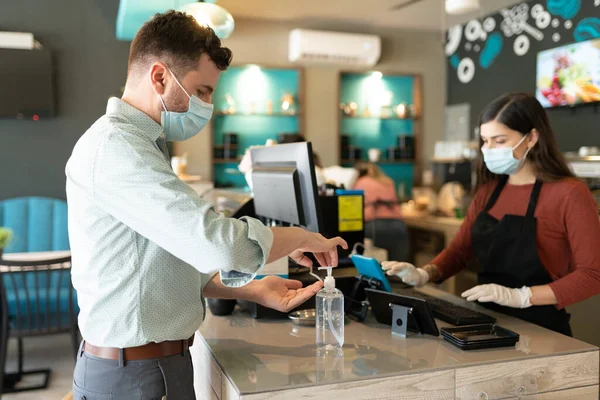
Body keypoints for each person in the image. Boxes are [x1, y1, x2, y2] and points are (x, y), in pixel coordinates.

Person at [65, 11, 347, 399]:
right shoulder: (117, 149)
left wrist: (252, 290)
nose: (207, 106)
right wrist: (298, 236)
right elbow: (220, 244)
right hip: (134, 375)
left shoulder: (140, 146)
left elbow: (162, 267)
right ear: (160, 77)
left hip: (150, 367)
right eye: (201, 91)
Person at [383, 93, 600, 336]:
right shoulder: (488, 191)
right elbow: (459, 252)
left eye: (499, 141)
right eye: (485, 141)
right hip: (486, 323)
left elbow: (592, 275)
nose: (489, 150)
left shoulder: (569, 193)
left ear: (531, 138)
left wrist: (521, 296)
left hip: (541, 329)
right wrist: (424, 273)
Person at [353, 162, 408, 261]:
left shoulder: (361, 182)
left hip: (374, 226)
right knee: (397, 266)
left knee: (378, 264)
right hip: (397, 226)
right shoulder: (388, 181)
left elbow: (355, 206)